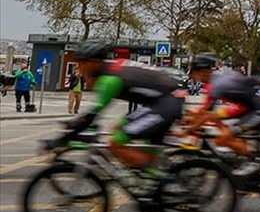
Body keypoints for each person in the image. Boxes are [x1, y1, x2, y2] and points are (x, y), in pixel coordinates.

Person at [58, 41, 185, 174]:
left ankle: (158, 179)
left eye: (82, 63)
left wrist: (61, 140)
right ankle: (150, 170)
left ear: (94, 63)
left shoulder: (110, 80)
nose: (79, 67)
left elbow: (91, 116)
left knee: (116, 142)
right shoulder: (111, 68)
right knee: (118, 128)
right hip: (161, 101)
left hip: (166, 104)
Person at [183, 54, 260, 175]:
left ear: (204, 71)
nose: (195, 78)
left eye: (195, 74)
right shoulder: (216, 77)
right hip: (252, 105)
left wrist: (189, 129)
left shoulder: (218, 84)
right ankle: (242, 157)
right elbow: (205, 110)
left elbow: (207, 113)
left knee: (225, 137)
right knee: (226, 132)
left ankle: (254, 162)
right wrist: (192, 117)